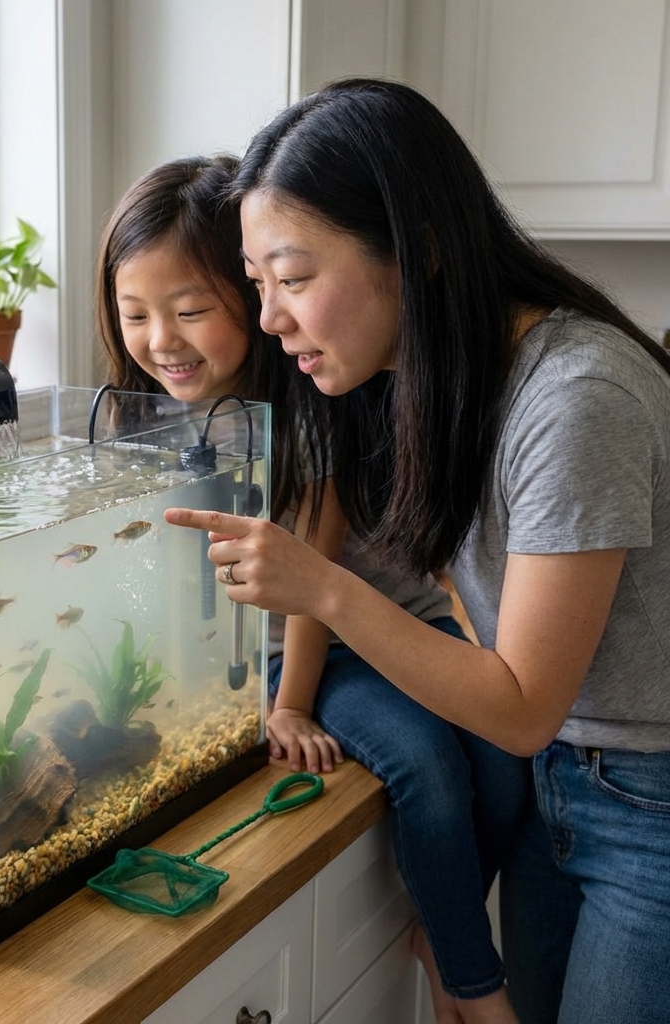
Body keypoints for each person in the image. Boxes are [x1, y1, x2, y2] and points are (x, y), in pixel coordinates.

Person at [165, 79, 670, 1024]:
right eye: (257, 282)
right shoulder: (436, 379)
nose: (271, 318)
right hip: (564, 780)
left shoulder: (576, 398)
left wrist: (322, 587)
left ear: (422, 253)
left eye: (295, 277)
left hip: (647, 803)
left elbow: (516, 707)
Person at [97, 155, 530, 1024]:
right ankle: (470, 984)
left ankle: (443, 936)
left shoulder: (309, 410)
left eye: (190, 312)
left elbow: (313, 582)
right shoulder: (132, 420)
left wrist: (290, 706)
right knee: (426, 766)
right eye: (135, 314)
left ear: (256, 301)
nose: (162, 341)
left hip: (338, 635)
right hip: (286, 660)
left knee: (508, 758)